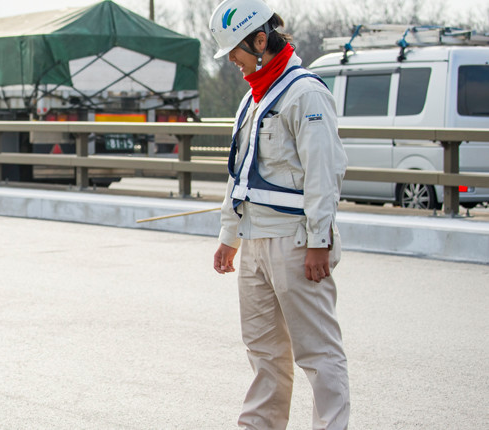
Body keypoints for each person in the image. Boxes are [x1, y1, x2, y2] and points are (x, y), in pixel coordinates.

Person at [208, 0, 350, 429]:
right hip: (254, 242)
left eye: (236, 49)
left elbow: (325, 174)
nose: (232, 59)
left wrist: (318, 242)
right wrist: (229, 237)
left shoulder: (305, 93)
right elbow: (240, 173)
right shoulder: (253, 97)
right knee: (264, 353)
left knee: (318, 353)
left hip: (295, 242)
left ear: (261, 40)